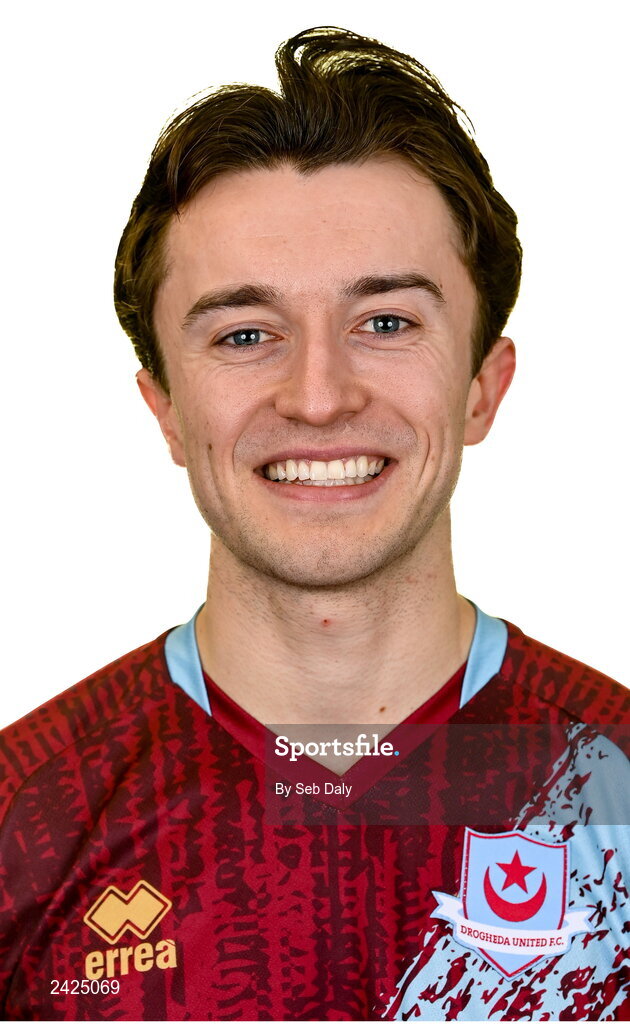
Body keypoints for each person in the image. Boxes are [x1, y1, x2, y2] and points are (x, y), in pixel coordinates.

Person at [0, 24, 627, 1022]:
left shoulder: (615, 783)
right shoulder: (23, 816)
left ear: (482, 385)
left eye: (386, 322)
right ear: (165, 409)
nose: (319, 396)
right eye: (246, 333)